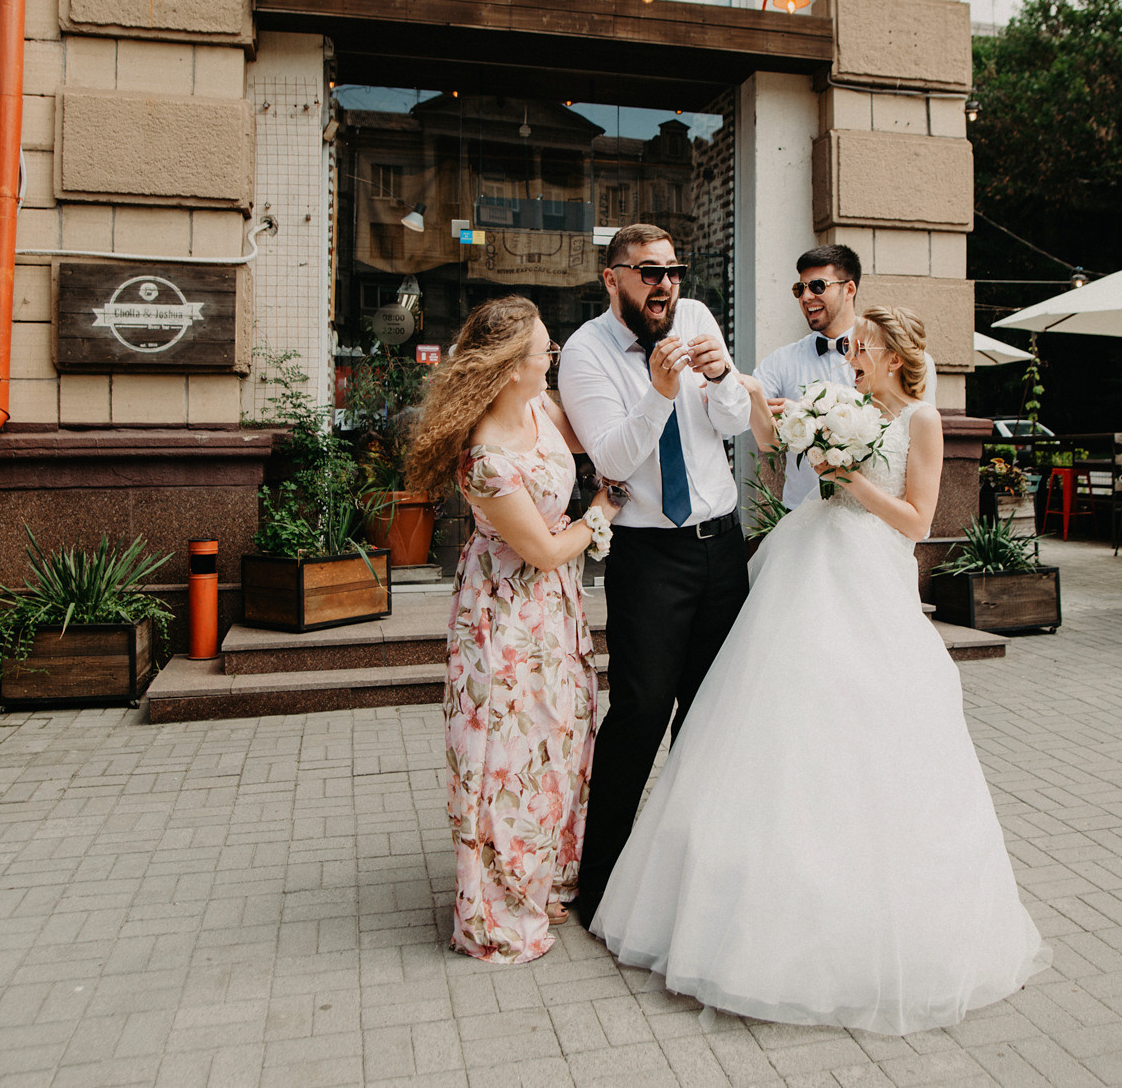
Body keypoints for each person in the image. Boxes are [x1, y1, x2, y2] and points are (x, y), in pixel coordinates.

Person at [591, 306, 1050, 1033]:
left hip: (870, 575)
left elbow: (917, 520)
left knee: (867, 726)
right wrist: (754, 395)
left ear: (898, 356)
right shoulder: (843, 401)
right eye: (854, 347)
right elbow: (772, 435)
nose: (852, 356)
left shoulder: (922, 420)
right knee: (775, 719)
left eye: (863, 348)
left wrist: (845, 476)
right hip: (807, 561)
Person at [408, 296, 620, 964]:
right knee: (507, 751)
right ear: (508, 369)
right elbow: (548, 551)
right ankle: (498, 903)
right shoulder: (486, 458)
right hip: (507, 619)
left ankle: (542, 875)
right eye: (544, 354)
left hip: (554, 615)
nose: (551, 361)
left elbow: (600, 435)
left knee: (557, 739)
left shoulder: (541, 410)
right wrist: (601, 509)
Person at [556, 223, 752, 927]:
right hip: (649, 557)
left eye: (672, 269)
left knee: (713, 710)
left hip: (723, 548)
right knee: (641, 714)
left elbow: (731, 423)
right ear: (613, 278)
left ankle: (698, 869)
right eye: (648, 271)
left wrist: (724, 376)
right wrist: (661, 391)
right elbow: (612, 454)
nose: (665, 283)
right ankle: (601, 881)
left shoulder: (696, 317)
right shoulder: (585, 353)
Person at [753, 244, 863, 510]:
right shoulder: (781, 361)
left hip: (865, 515)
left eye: (817, 286)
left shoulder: (883, 354)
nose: (806, 297)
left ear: (848, 289)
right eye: (799, 289)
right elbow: (766, 438)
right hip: (801, 515)